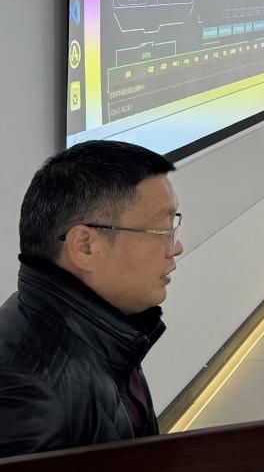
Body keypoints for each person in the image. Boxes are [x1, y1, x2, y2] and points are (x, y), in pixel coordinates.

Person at [0, 141, 181, 457]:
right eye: (162, 230)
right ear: (85, 246)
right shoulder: (29, 395)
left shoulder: (105, 326)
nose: (176, 247)